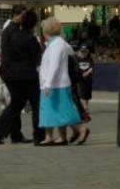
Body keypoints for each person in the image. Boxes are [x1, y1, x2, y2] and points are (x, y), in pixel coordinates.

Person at [0, 9, 43, 145]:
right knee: (36, 104)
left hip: (11, 74)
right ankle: (39, 136)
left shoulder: (12, 33)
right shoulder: (29, 39)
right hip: (27, 76)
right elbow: (37, 60)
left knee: (16, 103)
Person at [37, 17, 89, 146]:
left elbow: (54, 66)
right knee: (52, 110)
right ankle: (53, 137)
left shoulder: (57, 45)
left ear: (46, 31)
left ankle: (81, 129)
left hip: (55, 84)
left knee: (64, 110)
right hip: (53, 83)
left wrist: (48, 83)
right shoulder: (57, 43)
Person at [76, 44, 94, 113]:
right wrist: (80, 74)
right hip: (80, 79)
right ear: (80, 51)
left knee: (87, 94)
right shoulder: (77, 59)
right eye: (82, 51)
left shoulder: (90, 59)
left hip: (88, 79)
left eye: (85, 51)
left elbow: (92, 68)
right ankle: (85, 107)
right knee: (81, 93)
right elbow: (76, 68)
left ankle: (86, 106)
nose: (84, 53)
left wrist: (87, 73)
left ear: (88, 51)